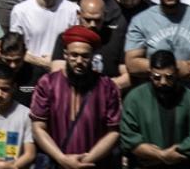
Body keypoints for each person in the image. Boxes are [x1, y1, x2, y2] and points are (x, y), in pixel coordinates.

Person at [29, 25, 122, 169]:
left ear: (92, 56)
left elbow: (114, 132)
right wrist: (62, 159)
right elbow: (38, 127)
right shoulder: (47, 83)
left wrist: (85, 161)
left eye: (85, 56)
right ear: (65, 54)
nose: (79, 61)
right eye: (74, 55)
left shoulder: (107, 87)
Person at [121, 49, 190, 169]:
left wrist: (174, 152)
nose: (163, 82)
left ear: (176, 73)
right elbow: (129, 138)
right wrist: (162, 155)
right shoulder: (135, 98)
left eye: (169, 77)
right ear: (150, 74)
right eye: (157, 77)